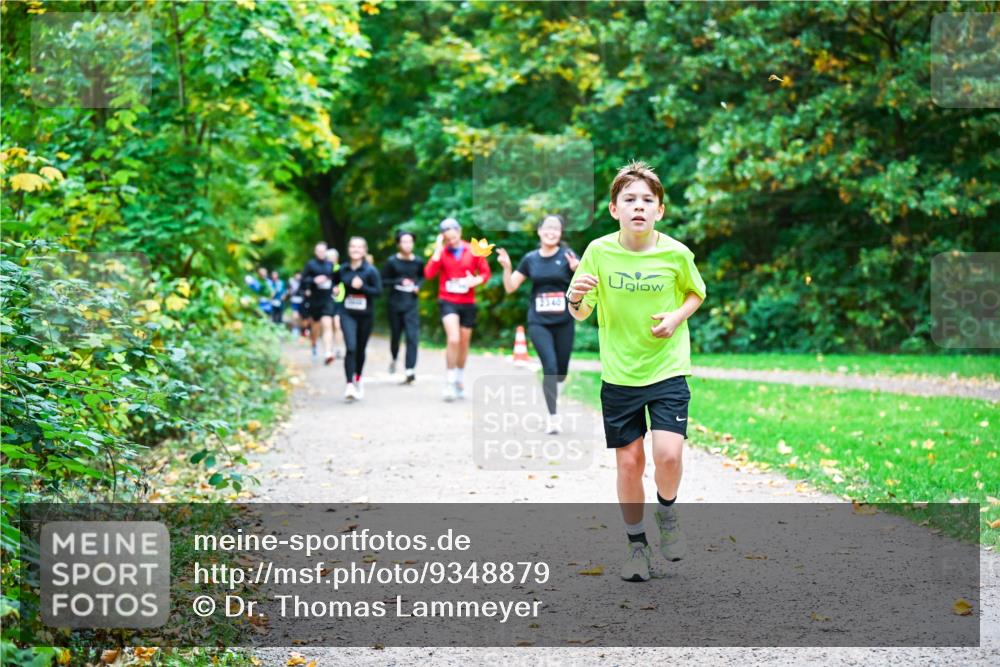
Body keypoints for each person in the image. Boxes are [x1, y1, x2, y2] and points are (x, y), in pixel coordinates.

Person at [566, 161, 706, 583]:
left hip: (667, 368)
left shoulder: (676, 253)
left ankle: (667, 511)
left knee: (668, 455)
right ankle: (636, 547)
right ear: (614, 209)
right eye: (630, 200)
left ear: (660, 210)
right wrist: (574, 295)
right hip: (621, 375)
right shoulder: (598, 251)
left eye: (648, 200)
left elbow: (696, 292)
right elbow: (580, 313)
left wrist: (677, 317)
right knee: (629, 464)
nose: (639, 207)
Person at [496, 215, 579, 434]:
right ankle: (553, 417)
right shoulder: (530, 259)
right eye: (547, 228)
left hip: (564, 320)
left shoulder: (568, 256)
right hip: (538, 321)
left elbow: (586, 284)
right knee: (549, 368)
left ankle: (554, 391)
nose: (551, 232)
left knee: (561, 371)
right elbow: (511, 287)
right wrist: (507, 268)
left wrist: (577, 269)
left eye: (556, 229)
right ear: (539, 231)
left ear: (560, 233)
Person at [424, 217, 492, 401]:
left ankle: (459, 379)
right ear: (443, 238)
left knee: (463, 342)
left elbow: (486, 273)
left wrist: (475, 281)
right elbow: (429, 274)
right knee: (453, 339)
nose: (451, 242)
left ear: (460, 232)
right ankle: (449, 381)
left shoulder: (473, 250)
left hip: (468, 302)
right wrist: (438, 250)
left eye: (454, 238)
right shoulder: (442, 252)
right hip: (448, 300)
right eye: (447, 239)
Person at [337, 236, 382, 401]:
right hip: (347, 313)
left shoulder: (370, 271)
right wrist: (336, 290)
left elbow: (378, 292)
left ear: (364, 250)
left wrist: (362, 287)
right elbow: (335, 284)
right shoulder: (342, 269)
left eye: (359, 247)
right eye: (352, 247)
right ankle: (349, 384)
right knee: (351, 348)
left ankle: (358, 378)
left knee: (360, 349)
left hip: (365, 315)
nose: (356, 250)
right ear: (349, 250)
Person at [381, 230, 424, 384]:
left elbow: (422, 277)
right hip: (395, 304)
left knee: (412, 337)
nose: (407, 244)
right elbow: (383, 281)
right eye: (404, 241)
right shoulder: (392, 262)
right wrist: (398, 281)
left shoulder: (418, 261)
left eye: (410, 241)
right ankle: (394, 357)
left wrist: (418, 286)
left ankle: (410, 370)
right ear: (398, 244)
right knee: (396, 337)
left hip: (411, 304)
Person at [301, 241, 339, 364]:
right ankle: (313, 346)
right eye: (319, 251)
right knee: (315, 327)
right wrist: (313, 280)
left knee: (327, 323)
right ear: (315, 252)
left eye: (323, 251)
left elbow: (336, 280)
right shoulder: (310, 265)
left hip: (327, 299)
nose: (321, 253)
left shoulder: (330, 265)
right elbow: (302, 281)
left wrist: (335, 287)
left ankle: (328, 352)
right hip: (314, 300)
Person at [327, 247, 347, 360]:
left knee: (338, 325)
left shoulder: (341, 269)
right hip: (327, 301)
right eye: (328, 257)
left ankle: (339, 348)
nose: (331, 259)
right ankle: (329, 350)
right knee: (328, 325)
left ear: (337, 258)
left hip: (340, 301)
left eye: (332, 257)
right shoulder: (324, 269)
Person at [288, 271, 304, 336]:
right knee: (295, 316)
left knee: (300, 316)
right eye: (297, 275)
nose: (298, 276)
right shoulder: (291, 281)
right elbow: (289, 290)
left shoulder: (303, 281)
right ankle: (295, 329)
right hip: (294, 300)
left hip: (302, 300)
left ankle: (300, 329)